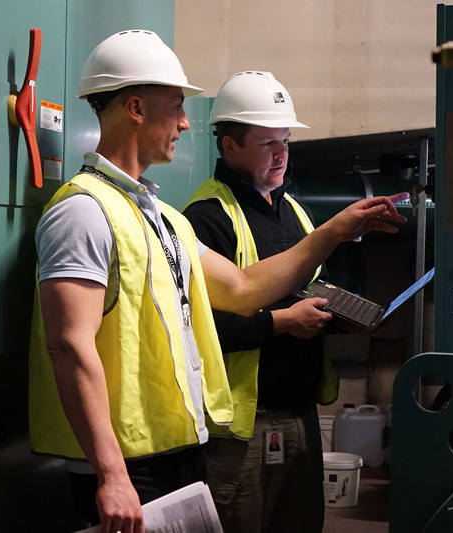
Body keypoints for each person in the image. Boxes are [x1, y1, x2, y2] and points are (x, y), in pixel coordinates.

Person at [28, 30, 408, 533]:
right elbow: (69, 347)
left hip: (175, 453)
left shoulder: (164, 219)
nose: (186, 122)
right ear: (136, 107)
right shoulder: (83, 212)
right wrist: (111, 474)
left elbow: (243, 290)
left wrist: (334, 232)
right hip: (124, 466)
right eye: (176, 107)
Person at [183, 71, 388, 532]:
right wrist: (279, 323)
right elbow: (199, 327)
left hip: (300, 416)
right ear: (228, 146)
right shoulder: (206, 218)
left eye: (286, 141)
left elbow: (315, 287)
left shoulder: (293, 210)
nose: (281, 154)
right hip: (242, 429)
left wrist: (339, 315)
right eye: (266, 143)